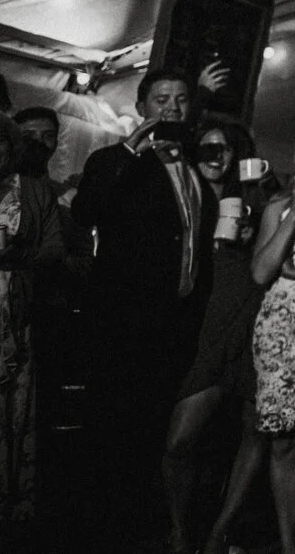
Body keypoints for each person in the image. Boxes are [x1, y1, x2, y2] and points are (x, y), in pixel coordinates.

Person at [73, 65, 221, 538]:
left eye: (180, 99)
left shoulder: (195, 164)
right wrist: (131, 150)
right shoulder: (114, 160)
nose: (172, 107)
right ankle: (104, 528)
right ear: (141, 108)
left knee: (154, 429)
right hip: (122, 322)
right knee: (114, 426)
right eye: (161, 99)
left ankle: (147, 524)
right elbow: (84, 212)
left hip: (176, 322)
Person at [206, 114, 295, 554]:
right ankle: (289, 548)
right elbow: (262, 271)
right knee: (282, 444)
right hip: (282, 333)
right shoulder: (278, 204)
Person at [163, 116, 269, 554]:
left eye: (223, 148)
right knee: (180, 443)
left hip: (250, 319)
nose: (215, 155)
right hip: (205, 330)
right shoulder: (181, 197)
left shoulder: (252, 197)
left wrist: (253, 232)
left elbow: (269, 260)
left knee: (254, 433)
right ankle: (179, 533)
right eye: (206, 147)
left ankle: (219, 532)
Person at [0, 105, 67, 534]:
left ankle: (0, 507)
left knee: (6, 415)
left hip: (12, 323)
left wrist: (17, 258)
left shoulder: (33, 189)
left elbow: (55, 249)